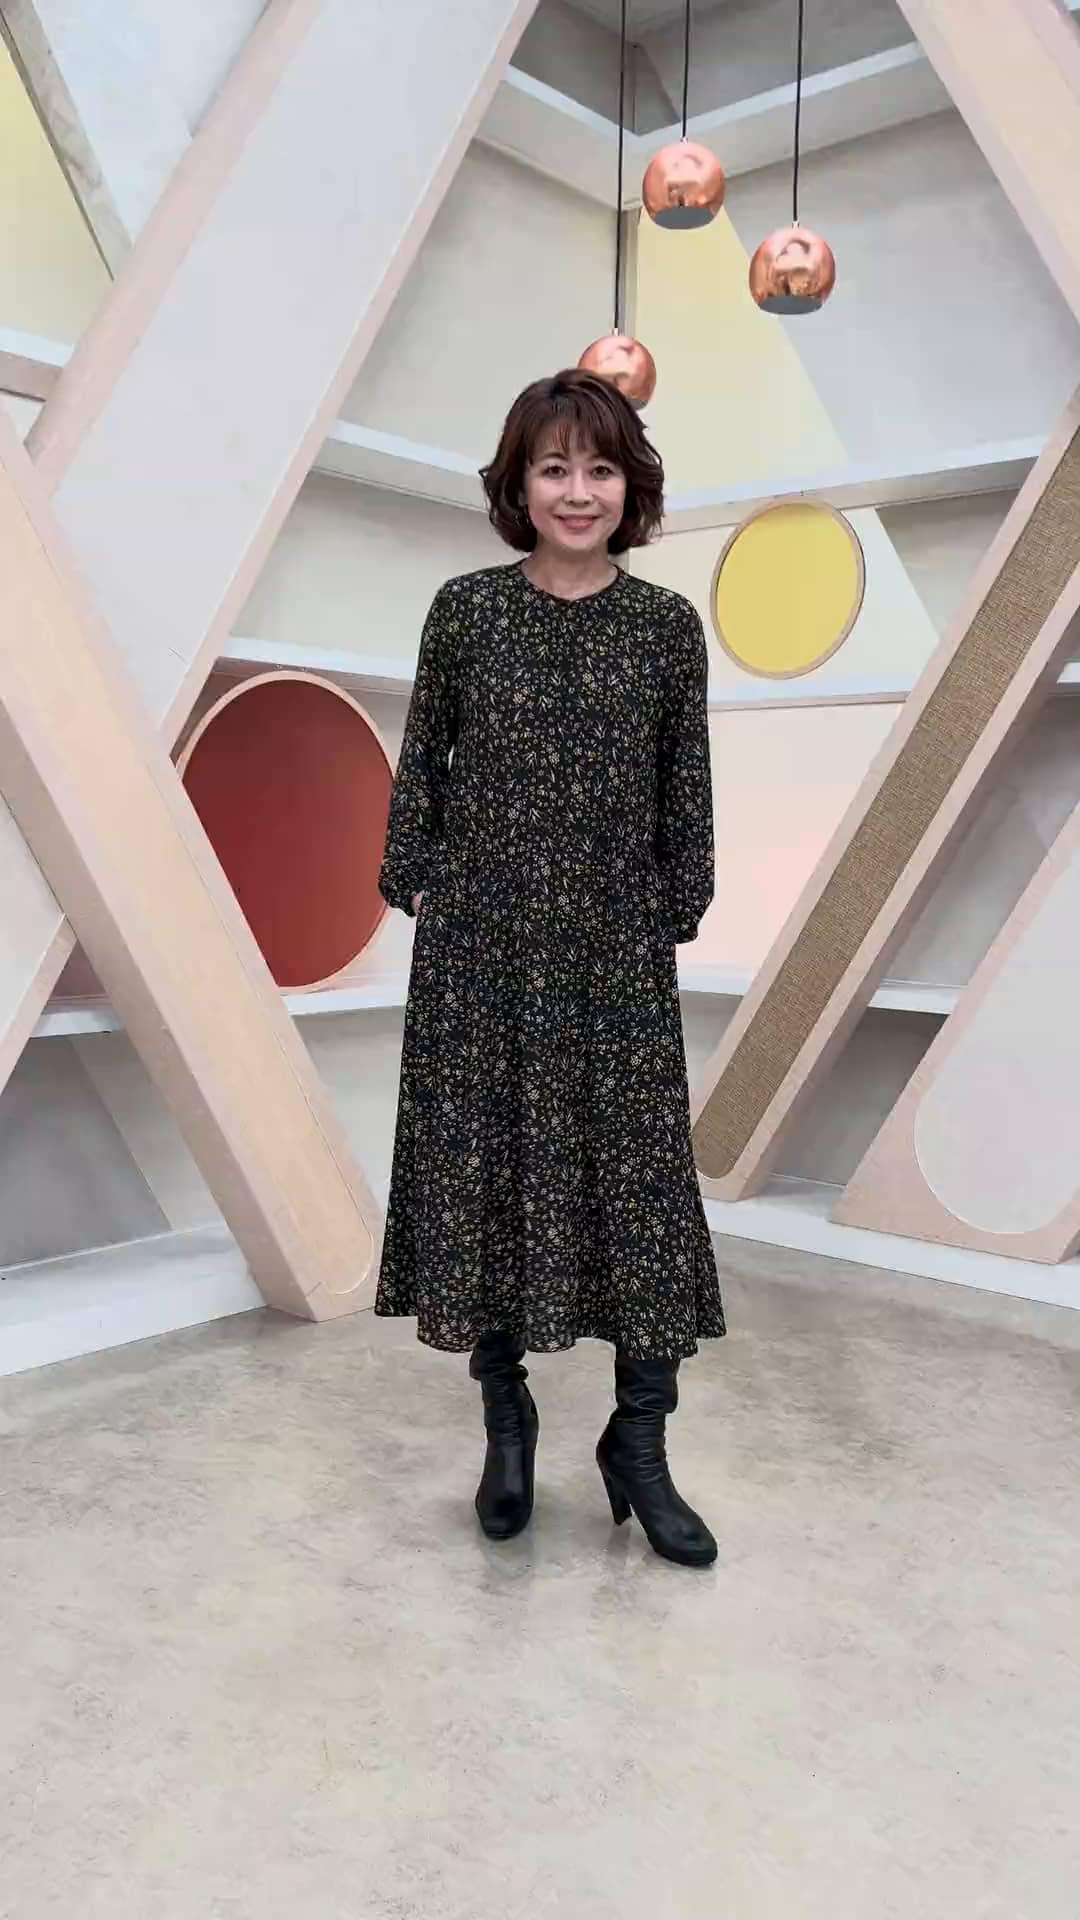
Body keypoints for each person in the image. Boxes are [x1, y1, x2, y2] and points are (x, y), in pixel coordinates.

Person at [375, 368, 726, 1569]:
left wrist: (673, 904)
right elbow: (423, 761)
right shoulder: (465, 611)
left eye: (601, 467)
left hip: (615, 948)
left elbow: (687, 789)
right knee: (487, 1169)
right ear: (519, 485)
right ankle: (507, 1421)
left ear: (631, 486)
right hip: (483, 944)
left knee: (642, 1188)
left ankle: (641, 1442)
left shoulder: (665, 627)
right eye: (555, 467)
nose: (578, 491)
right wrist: (420, 878)